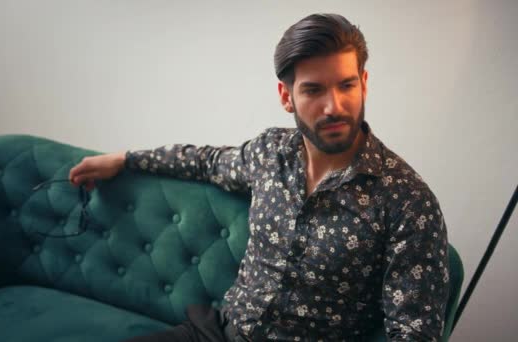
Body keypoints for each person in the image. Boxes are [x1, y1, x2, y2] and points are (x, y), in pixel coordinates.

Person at [68, 13, 450, 342]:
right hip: (219, 333)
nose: (334, 106)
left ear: (363, 83)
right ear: (287, 97)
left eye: (346, 85)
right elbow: (206, 162)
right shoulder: (271, 153)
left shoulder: (407, 202)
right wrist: (126, 159)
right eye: (314, 90)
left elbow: (413, 333)